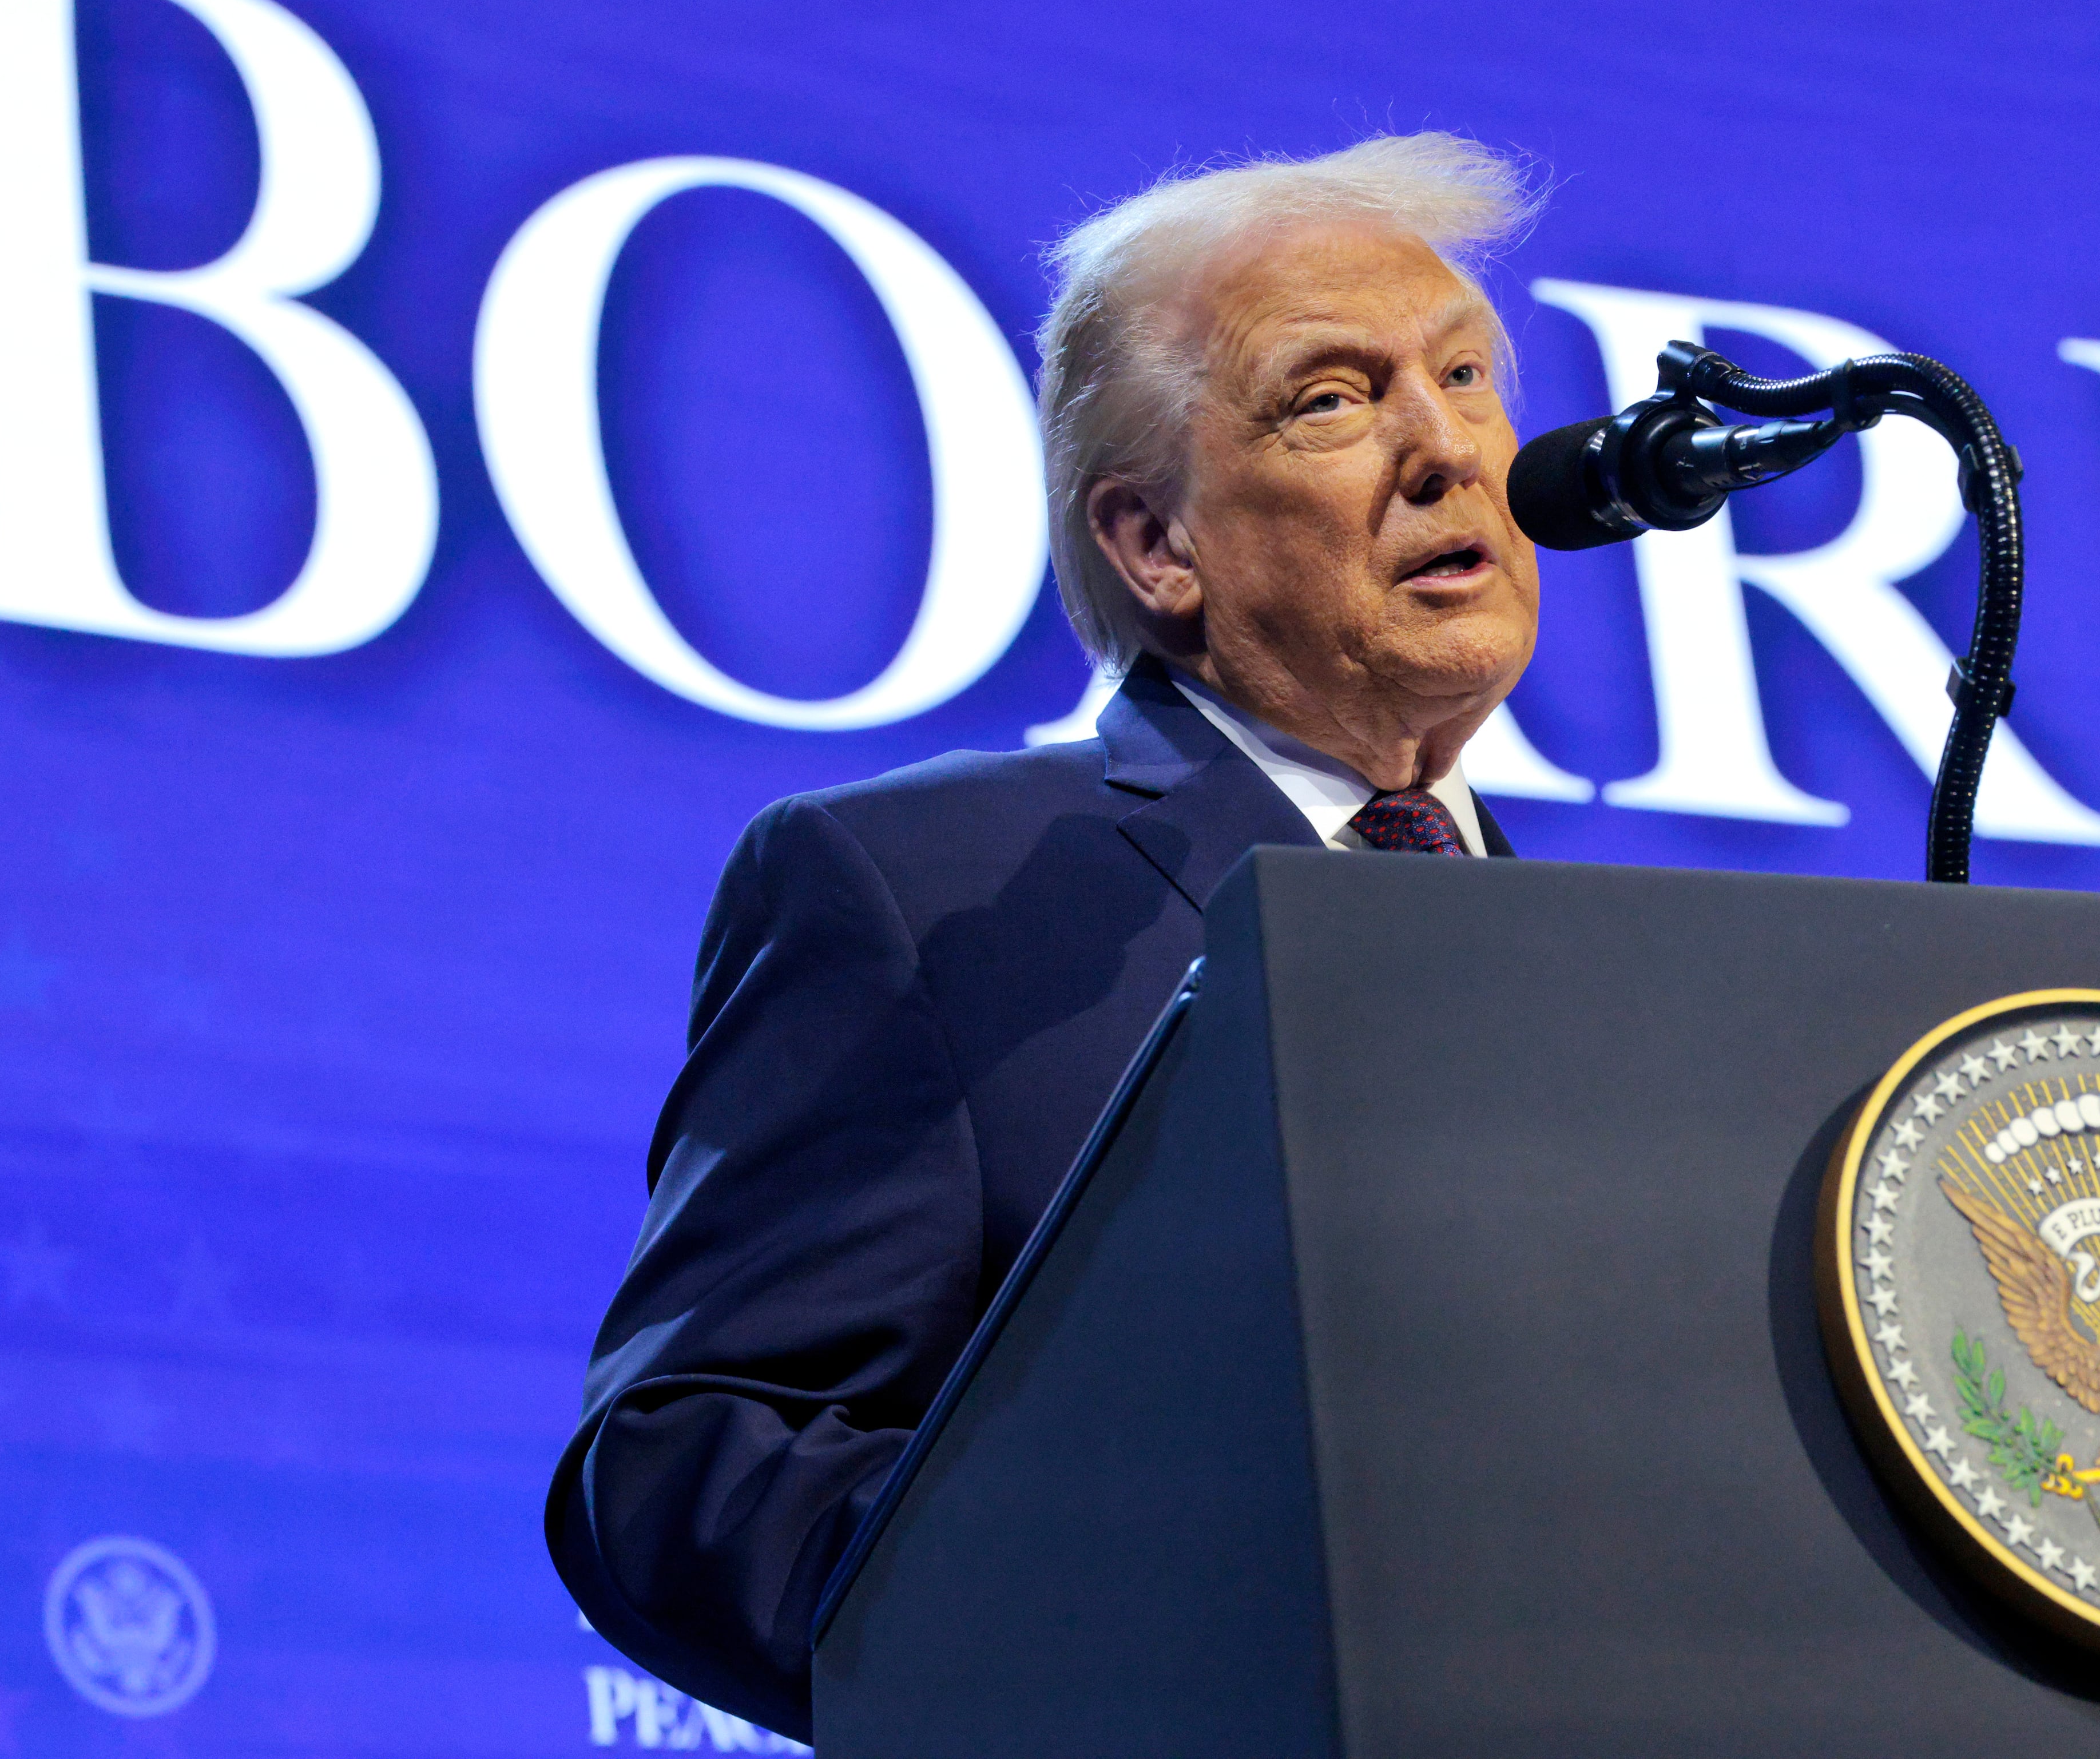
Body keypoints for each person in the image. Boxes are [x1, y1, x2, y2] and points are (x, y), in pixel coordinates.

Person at [546, 134, 1545, 1738]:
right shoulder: (928, 889)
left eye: (1469, 375)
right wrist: (1139, 1647)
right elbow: (689, 1464)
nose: (1449, 450)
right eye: (1334, 400)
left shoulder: (1608, 964)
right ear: (1159, 546)